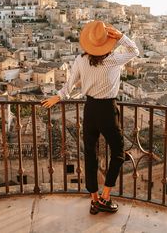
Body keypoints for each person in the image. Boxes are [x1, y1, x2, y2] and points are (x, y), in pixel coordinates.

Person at [41, 20, 139, 214]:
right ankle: (105, 196)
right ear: (106, 42)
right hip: (107, 110)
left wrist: (58, 96)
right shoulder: (113, 59)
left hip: (90, 109)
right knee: (119, 153)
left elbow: (70, 85)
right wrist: (120, 36)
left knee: (90, 155)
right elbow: (134, 50)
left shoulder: (80, 60)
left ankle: (94, 199)